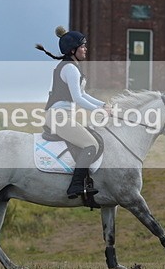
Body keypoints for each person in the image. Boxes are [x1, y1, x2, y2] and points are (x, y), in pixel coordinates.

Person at [36, 26, 110, 200]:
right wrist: (100, 110)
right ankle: (76, 185)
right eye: (82, 46)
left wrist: (104, 105)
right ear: (72, 50)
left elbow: (83, 94)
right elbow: (78, 99)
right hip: (58, 118)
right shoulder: (70, 68)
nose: (85, 49)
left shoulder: (72, 67)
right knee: (91, 145)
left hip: (62, 117)